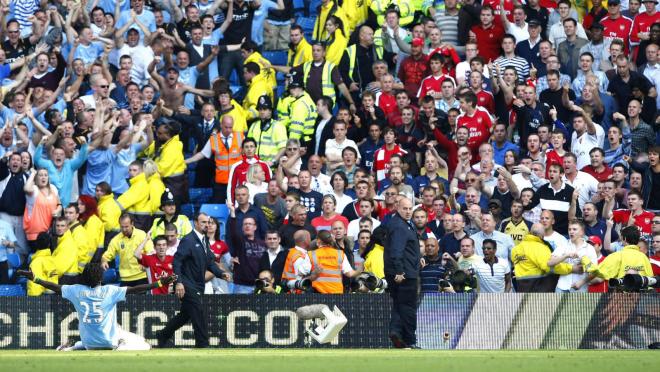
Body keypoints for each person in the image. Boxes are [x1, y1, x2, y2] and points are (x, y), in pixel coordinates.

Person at [17, 263, 173, 350]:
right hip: (109, 343)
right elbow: (137, 289)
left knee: (113, 330)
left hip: (89, 344)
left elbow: (54, 286)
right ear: (100, 276)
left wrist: (35, 278)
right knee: (146, 344)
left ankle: (67, 348)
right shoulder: (110, 291)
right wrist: (160, 283)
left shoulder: (76, 290)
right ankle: (120, 343)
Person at [158, 213, 231, 348]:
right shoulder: (188, 240)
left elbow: (210, 262)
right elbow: (177, 262)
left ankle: (163, 334)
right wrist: (179, 282)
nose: (207, 225)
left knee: (184, 315)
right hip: (186, 284)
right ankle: (202, 344)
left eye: (208, 222)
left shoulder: (204, 240)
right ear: (195, 223)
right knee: (198, 312)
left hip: (197, 285)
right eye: (203, 222)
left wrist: (221, 274)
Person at [384, 197, 420, 349]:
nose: (408, 211)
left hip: (405, 270)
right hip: (404, 274)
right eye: (405, 208)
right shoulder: (400, 226)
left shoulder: (401, 223)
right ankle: (409, 340)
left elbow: (405, 249)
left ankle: (396, 333)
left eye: (410, 208)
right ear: (397, 207)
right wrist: (399, 271)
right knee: (408, 308)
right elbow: (397, 251)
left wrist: (418, 259)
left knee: (400, 305)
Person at [511, 223, 580, 292]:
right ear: (542, 235)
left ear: (529, 232)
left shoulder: (516, 249)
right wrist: (571, 268)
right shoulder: (540, 248)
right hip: (537, 290)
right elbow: (550, 267)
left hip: (521, 288)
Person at [101, 214, 153, 287]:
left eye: (126, 226)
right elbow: (107, 255)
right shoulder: (116, 239)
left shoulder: (141, 234)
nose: (124, 229)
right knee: (126, 298)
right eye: (122, 227)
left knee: (142, 298)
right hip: (125, 278)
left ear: (132, 224)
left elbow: (150, 252)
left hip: (142, 276)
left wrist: (146, 263)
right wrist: (104, 261)